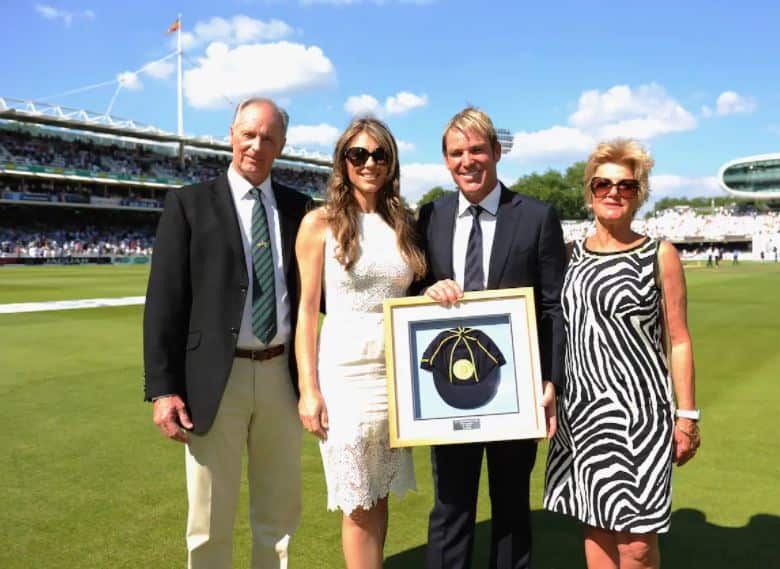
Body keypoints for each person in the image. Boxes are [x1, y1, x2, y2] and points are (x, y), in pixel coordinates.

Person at [143, 97, 311, 569]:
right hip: (215, 380)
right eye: (249, 134)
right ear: (231, 134)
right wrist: (162, 389)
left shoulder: (301, 209)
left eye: (269, 138)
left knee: (278, 517)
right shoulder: (188, 204)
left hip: (282, 375)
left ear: (282, 146)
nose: (257, 145)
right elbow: (164, 302)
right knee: (209, 519)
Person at [415, 106, 566, 569]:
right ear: (446, 160)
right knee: (451, 509)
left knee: (511, 509)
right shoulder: (430, 217)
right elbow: (410, 292)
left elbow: (554, 307)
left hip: (514, 391)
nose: (468, 161)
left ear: (496, 152)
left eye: (477, 149)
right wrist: (426, 291)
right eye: (457, 152)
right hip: (451, 391)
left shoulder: (537, 217)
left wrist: (551, 383)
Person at [544, 139, 700, 569]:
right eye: (602, 184)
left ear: (639, 193)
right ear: (589, 190)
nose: (613, 193)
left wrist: (687, 416)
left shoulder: (659, 254)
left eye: (626, 186)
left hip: (641, 419)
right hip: (582, 417)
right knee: (595, 531)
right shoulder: (569, 256)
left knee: (636, 546)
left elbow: (680, 339)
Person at [294, 117, 426, 569]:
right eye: (358, 155)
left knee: (380, 492)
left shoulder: (403, 223)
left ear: (391, 162)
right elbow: (307, 313)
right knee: (357, 501)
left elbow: (414, 297)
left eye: (379, 155)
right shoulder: (320, 223)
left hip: (396, 373)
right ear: (343, 162)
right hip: (345, 373)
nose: (369, 163)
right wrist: (308, 390)